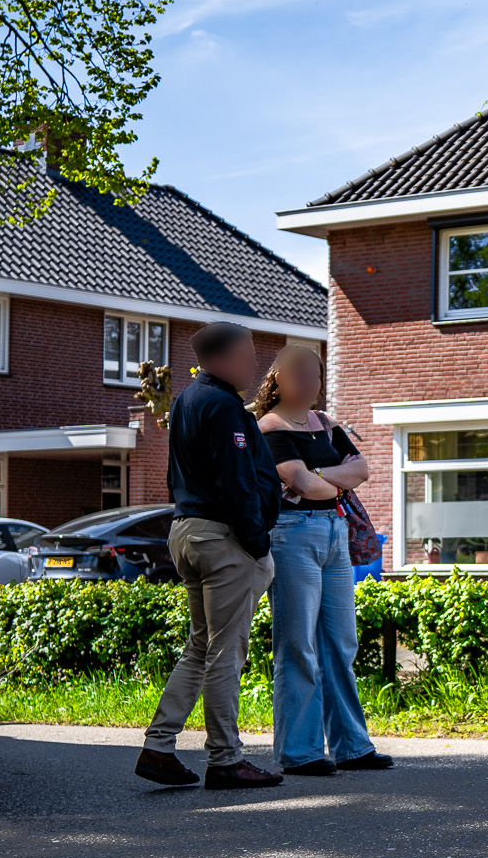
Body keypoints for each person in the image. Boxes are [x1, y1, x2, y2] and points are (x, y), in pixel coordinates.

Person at [135, 323, 285, 789]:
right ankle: (226, 760)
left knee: (200, 647)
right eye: (248, 354)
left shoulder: (186, 401)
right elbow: (236, 480)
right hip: (223, 539)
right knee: (225, 653)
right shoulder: (222, 405)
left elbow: (174, 474)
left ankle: (158, 748)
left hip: (186, 530)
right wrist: (257, 542)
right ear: (220, 358)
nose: (255, 364)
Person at [254, 343, 391, 776]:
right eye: (302, 375)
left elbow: (362, 469)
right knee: (298, 644)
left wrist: (319, 479)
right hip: (292, 535)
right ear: (278, 377)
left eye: (317, 376)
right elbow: (300, 484)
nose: (312, 384)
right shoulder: (269, 427)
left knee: (340, 641)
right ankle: (300, 752)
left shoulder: (326, 424)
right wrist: (327, 482)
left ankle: (352, 746)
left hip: (335, 532)